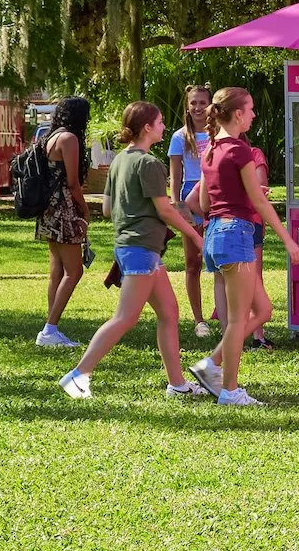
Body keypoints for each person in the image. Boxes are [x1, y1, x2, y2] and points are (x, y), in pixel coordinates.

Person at [59, 102, 209, 400]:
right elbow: (164, 209)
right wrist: (195, 234)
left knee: (169, 312)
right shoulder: (149, 164)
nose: (165, 126)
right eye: (161, 121)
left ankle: (177, 385)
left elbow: (105, 209)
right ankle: (77, 376)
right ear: (147, 128)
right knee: (125, 318)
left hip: (136, 248)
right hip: (140, 250)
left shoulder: (119, 161)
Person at [188, 87, 299, 407]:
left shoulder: (210, 149)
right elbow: (260, 203)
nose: (253, 114)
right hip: (236, 234)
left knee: (263, 310)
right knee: (239, 320)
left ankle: (212, 364)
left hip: (215, 235)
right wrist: (288, 239)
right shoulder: (239, 151)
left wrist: (240, 192)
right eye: (250, 109)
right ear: (237, 114)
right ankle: (229, 390)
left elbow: (203, 202)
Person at [33, 96, 94, 348]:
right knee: (74, 270)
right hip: (63, 208)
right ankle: (49, 330)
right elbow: (72, 183)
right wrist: (85, 209)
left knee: (57, 269)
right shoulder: (69, 139)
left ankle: (51, 328)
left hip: (48, 209)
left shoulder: (49, 137)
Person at [167, 85, 215, 336]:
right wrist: (177, 204)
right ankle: (199, 320)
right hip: (190, 199)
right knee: (192, 262)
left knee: (223, 260)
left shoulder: (220, 132)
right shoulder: (179, 137)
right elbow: (174, 177)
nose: (198, 108)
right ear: (187, 106)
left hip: (217, 198)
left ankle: (226, 311)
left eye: (202, 102)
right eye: (193, 103)